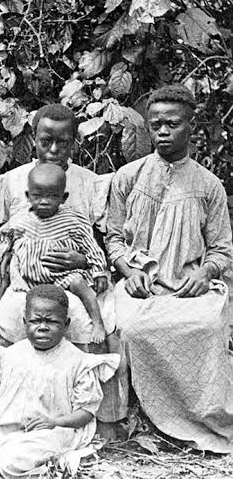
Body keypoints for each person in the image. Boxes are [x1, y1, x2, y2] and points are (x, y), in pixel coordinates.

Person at [106, 84, 233, 452]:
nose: (162, 132)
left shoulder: (208, 185)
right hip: (141, 286)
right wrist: (128, 271)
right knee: (130, 328)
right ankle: (144, 418)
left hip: (188, 288)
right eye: (155, 124)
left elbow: (222, 249)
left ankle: (201, 418)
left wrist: (205, 273)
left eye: (172, 124)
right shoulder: (128, 177)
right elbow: (113, 238)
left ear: (191, 126)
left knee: (208, 325)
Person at [0, 285, 119, 479]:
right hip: (8, 431)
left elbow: (86, 412)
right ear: (25, 322)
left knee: (34, 447)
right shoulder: (9, 356)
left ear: (66, 324)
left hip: (56, 431)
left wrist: (54, 422)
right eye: (35, 321)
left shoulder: (77, 361)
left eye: (52, 321)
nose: (43, 327)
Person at [0, 164, 116, 351]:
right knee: (4, 277)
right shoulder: (20, 219)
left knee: (79, 284)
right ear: (28, 196)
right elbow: (4, 237)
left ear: (63, 197)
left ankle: (97, 322)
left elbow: (90, 246)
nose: (44, 201)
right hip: (27, 278)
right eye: (37, 196)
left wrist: (99, 271)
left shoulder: (72, 220)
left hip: (61, 276)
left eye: (52, 196)